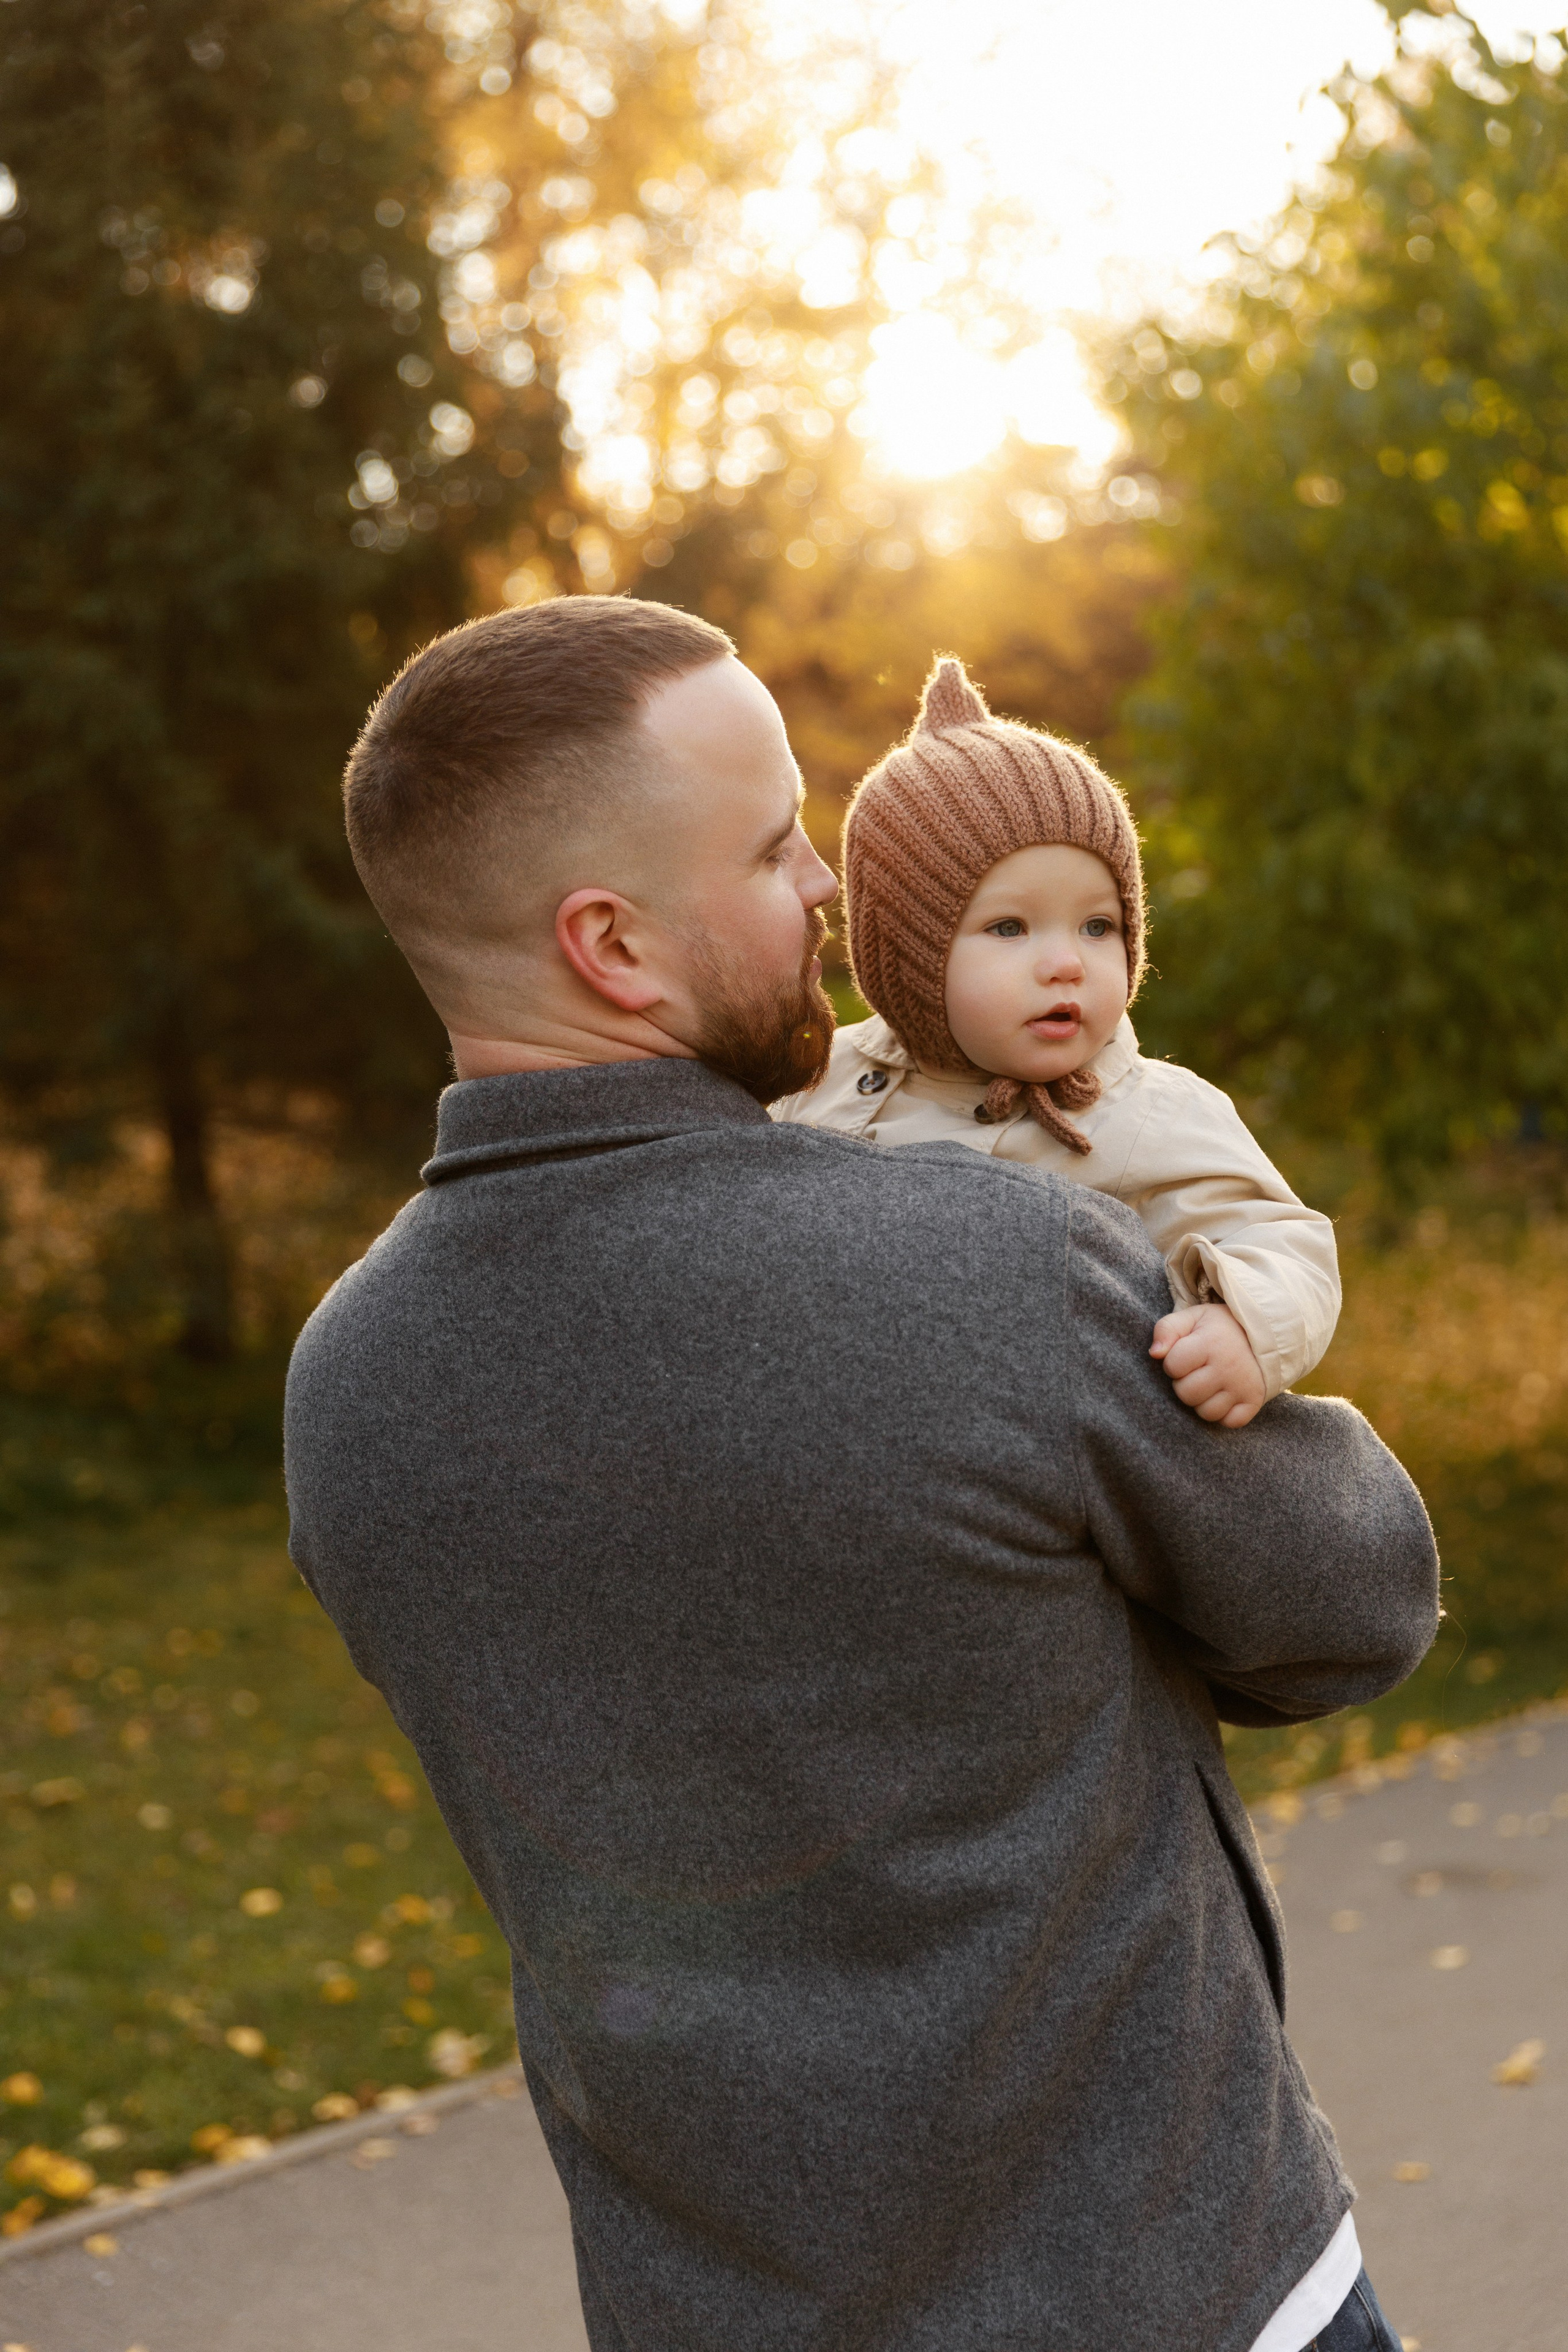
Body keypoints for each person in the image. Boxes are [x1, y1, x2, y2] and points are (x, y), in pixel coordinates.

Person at [284, 595, 1438, 2352]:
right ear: (612, 942)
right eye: (772, 850)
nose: (829, 887)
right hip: (1178, 2286)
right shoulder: (993, 1263)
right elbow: (1349, 1603)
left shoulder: (347, 1388)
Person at [776, 655, 1337, 1430]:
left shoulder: (1152, 1111)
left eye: (1098, 926)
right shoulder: (817, 1076)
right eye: (1009, 927)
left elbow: (1280, 1239)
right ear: (903, 951)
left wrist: (1243, 1327)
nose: (1066, 962)